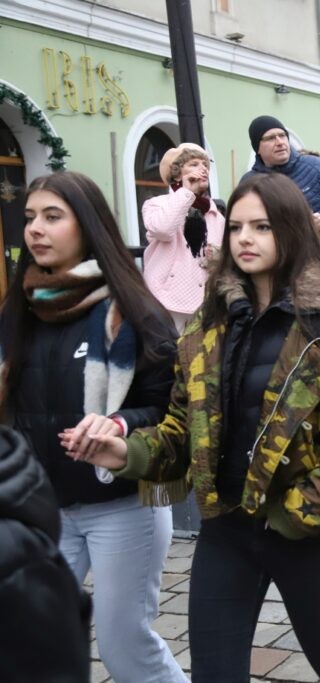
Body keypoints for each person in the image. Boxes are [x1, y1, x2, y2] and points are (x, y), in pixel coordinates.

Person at [71, 174, 320, 683]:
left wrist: (294, 514)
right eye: (236, 227)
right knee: (213, 673)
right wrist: (127, 453)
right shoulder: (207, 326)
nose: (245, 238)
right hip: (226, 530)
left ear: (292, 232)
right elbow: (180, 432)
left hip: (305, 531)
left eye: (262, 226)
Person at [0, 171, 184, 682]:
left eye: (52, 217)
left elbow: (171, 408)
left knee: (124, 644)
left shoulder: (132, 312)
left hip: (120, 506)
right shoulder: (17, 312)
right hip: (41, 508)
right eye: (30, 217)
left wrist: (120, 424)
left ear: (88, 226)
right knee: (28, 637)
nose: (35, 228)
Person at [0, 425, 92, 683]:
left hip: (115, 498)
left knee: (123, 641)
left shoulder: (17, 557)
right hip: (54, 497)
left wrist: (122, 425)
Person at [242, 115, 320, 276]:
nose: (280, 142)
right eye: (270, 138)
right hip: (277, 271)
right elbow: (243, 226)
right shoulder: (249, 182)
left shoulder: (314, 166)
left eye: (282, 136)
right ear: (258, 148)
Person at [142, 143, 225, 334]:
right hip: (165, 302)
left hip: (205, 305)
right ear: (177, 174)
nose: (203, 168)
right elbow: (163, 228)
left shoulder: (215, 215)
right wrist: (186, 192)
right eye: (194, 164)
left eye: (205, 165)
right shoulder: (157, 204)